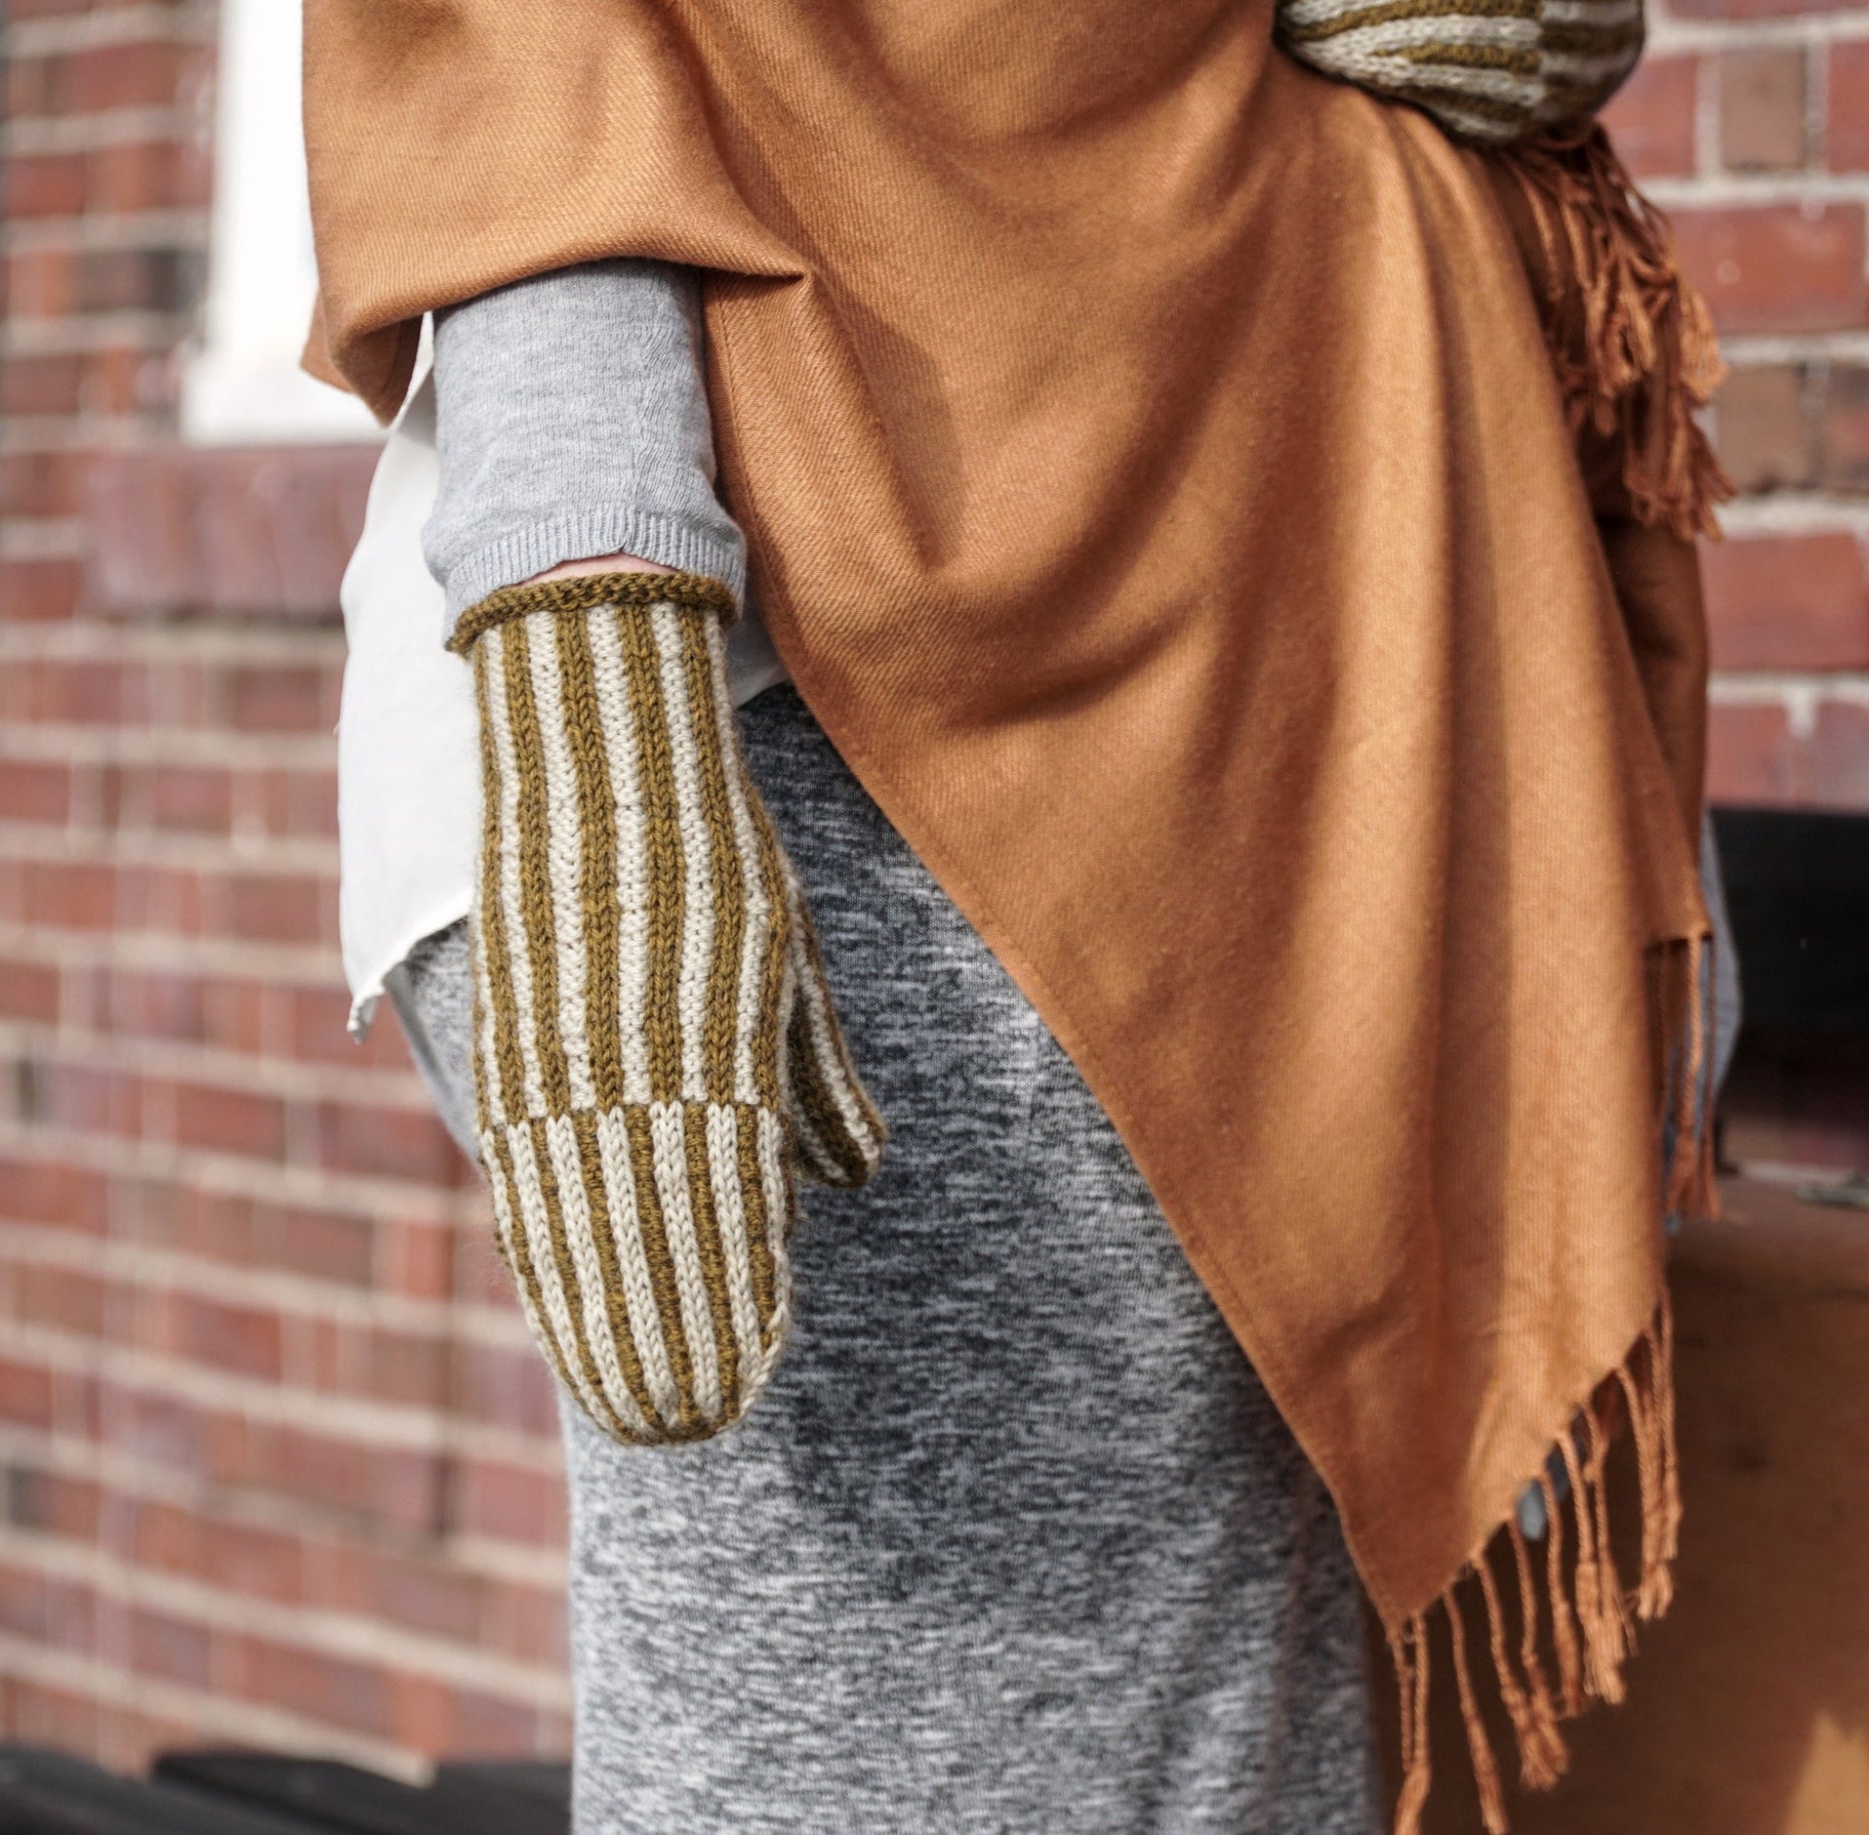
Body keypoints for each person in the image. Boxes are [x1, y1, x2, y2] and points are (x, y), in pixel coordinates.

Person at [304, 3, 1736, 1828]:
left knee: (1211, 1718)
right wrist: (600, 655)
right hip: (852, 716)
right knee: (931, 1748)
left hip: (1281, 657)